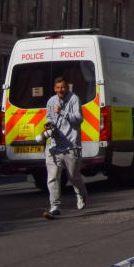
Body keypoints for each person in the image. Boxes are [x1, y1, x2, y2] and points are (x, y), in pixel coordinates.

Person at [42, 77, 88, 218]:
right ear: (55, 89)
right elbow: (49, 117)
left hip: (71, 145)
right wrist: (48, 125)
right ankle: (55, 206)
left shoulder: (74, 99)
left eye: (62, 87)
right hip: (54, 146)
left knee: (73, 177)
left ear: (67, 87)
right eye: (58, 88)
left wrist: (62, 112)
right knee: (53, 178)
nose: (60, 90)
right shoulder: (51, 101)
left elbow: (79, 118)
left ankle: (81, 194)